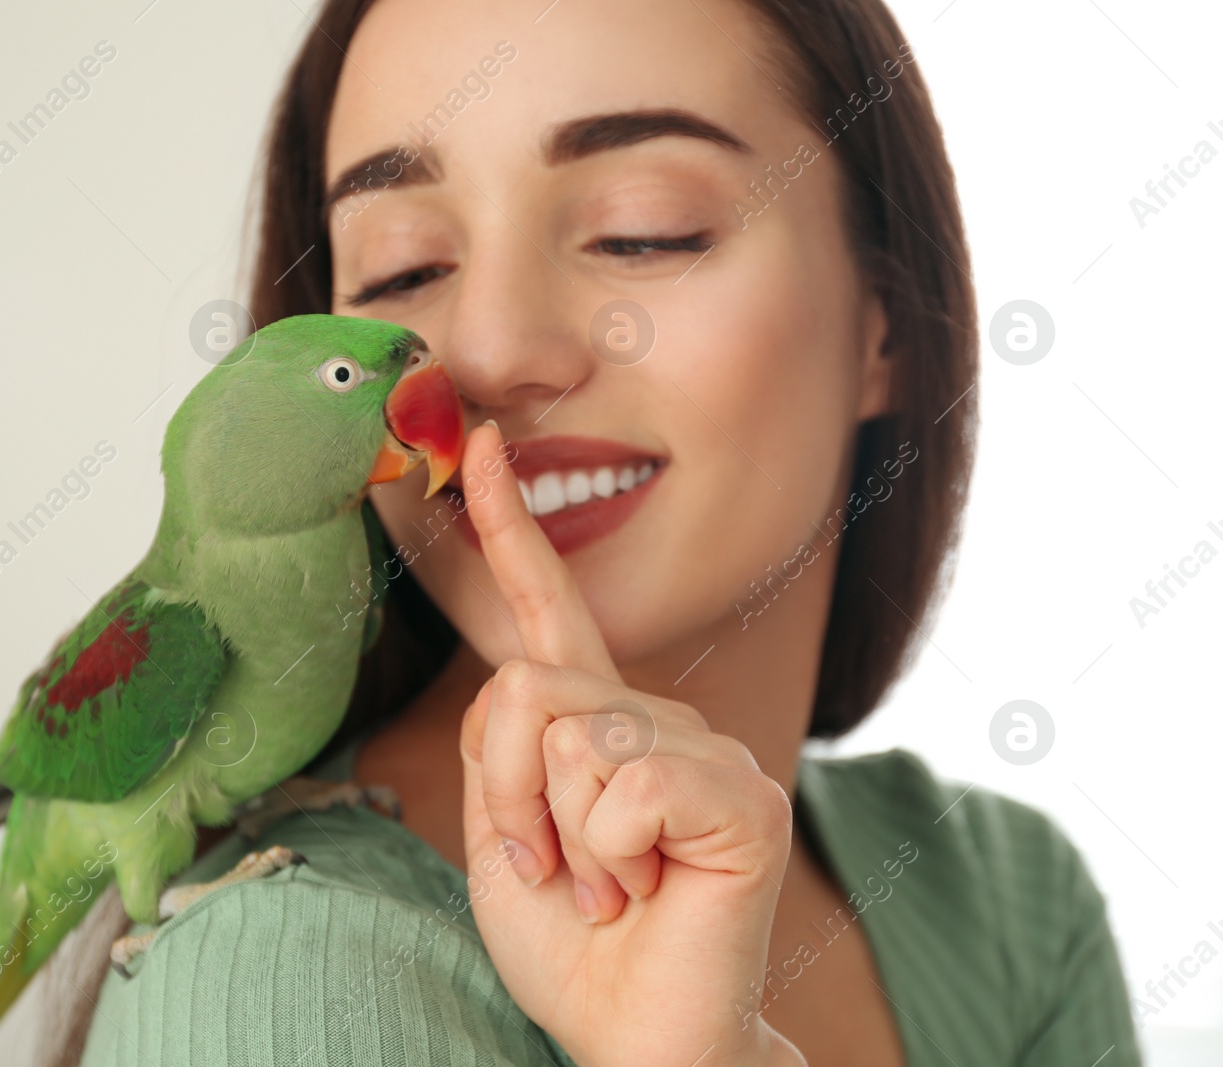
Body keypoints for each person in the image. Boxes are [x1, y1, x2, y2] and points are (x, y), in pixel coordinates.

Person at [58, 0, 1140, 1063]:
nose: (484, 351)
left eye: (641, 229)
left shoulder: (1011, 901)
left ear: (886, 326)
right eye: (403, 272)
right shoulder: (278, 978)